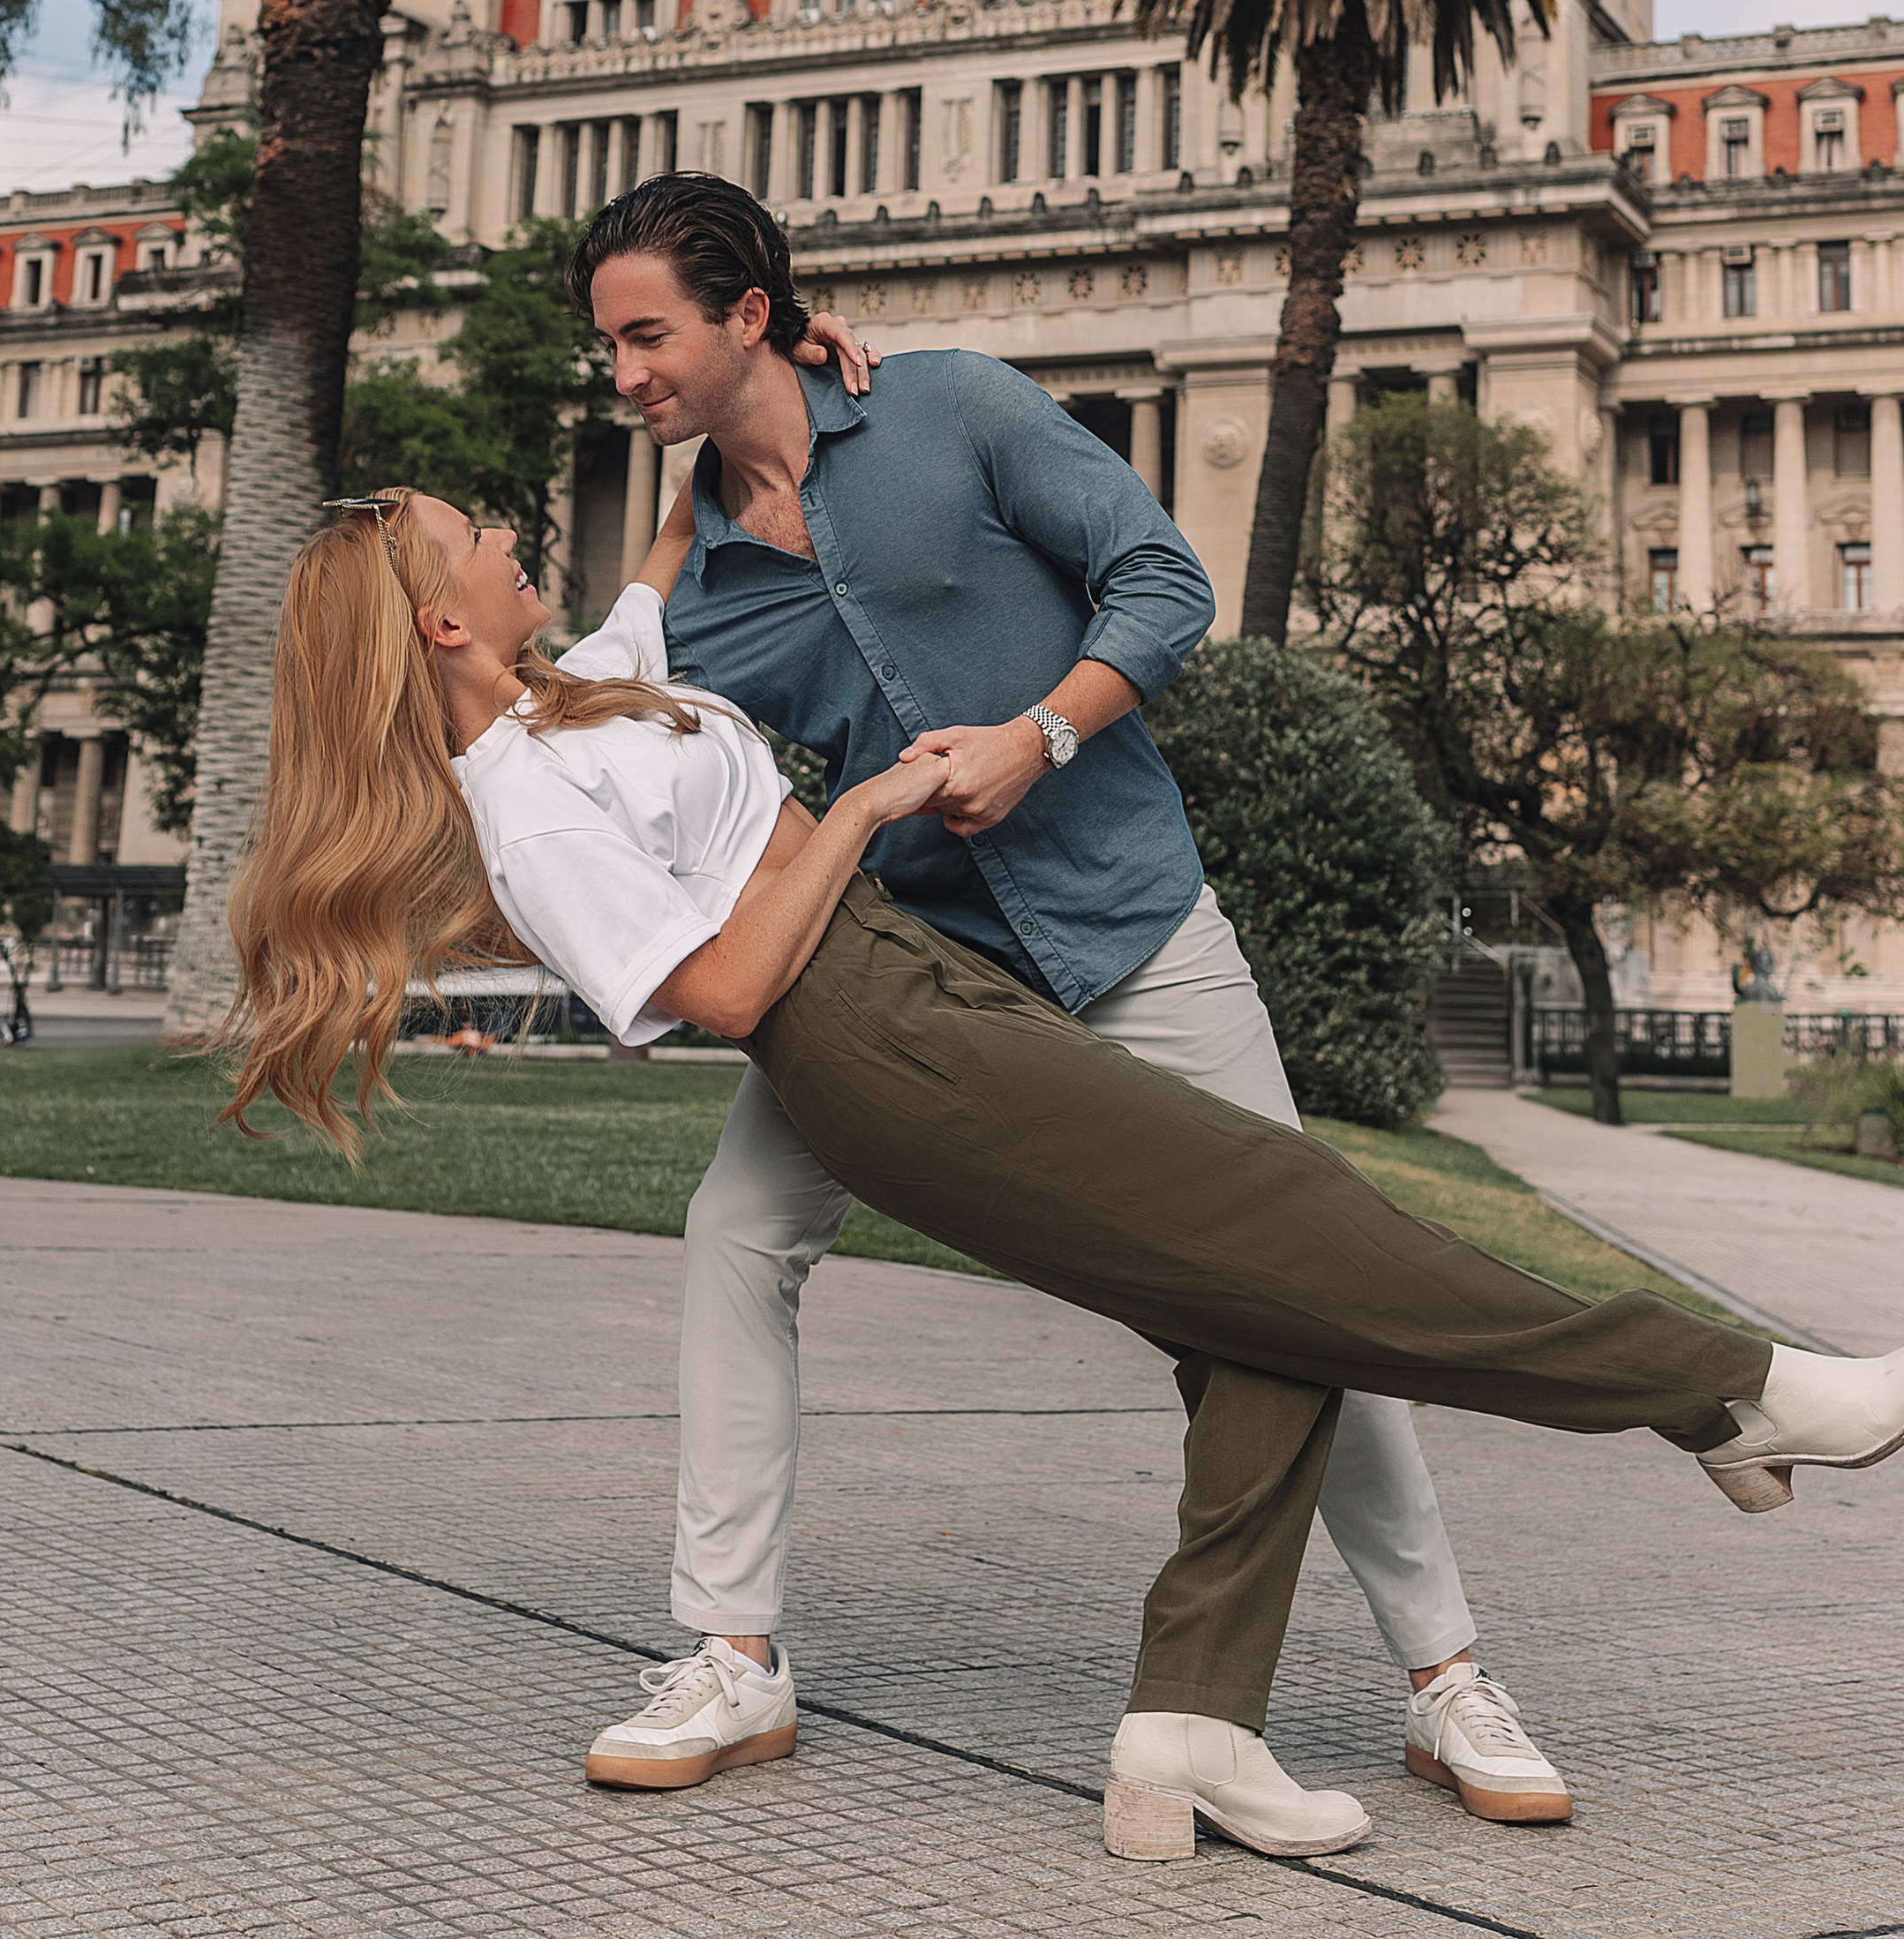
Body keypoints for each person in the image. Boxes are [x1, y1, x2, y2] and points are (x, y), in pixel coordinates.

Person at [226, 487, 1904, 1867]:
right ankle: (1723, 1393)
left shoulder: (572, 694)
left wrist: (794, 373)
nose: (520, 537)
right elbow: (724, 995)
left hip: (913, 992)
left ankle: (1189, 1718)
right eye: (481, 536)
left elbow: (681, 529)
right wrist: (866, 810)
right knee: (1315, 1233)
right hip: (866, 1041)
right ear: (440, 615)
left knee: (1271, 1298)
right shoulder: (519, 798)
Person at [569, 178, 1556, 1828]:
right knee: (740, 1230)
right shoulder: (704, 589)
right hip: (911, 971)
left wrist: (1042, 735)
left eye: (646, 334)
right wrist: (683, 516)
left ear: (749, 311)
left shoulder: (949, 405)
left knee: (1300, 1275)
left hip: (1132, 921)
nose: (620, 371)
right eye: (607, 343)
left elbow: (1165, 583)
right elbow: (619, 718)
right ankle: (732, 1655)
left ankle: (1445, 1680)